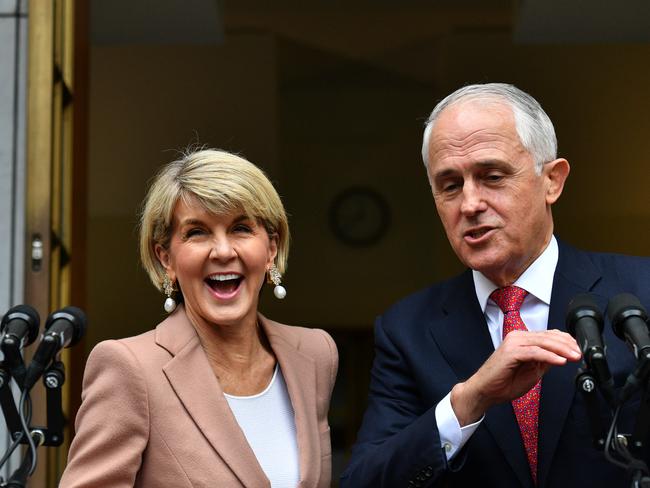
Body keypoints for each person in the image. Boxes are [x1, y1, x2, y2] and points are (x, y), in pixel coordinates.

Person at [341, 83, 650, 487]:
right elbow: (364, 482)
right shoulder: (407, 330)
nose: (470, 204)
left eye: (492, 176)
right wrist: (468, 402)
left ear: (552, 181)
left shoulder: (639, 292)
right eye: (450, 185)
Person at [60, 149, 338, 487]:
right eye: (197, 232)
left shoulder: (314, 354)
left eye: (240, 228)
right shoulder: (129, 368)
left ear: (271, 249)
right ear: (166, 259)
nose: (222, 251)